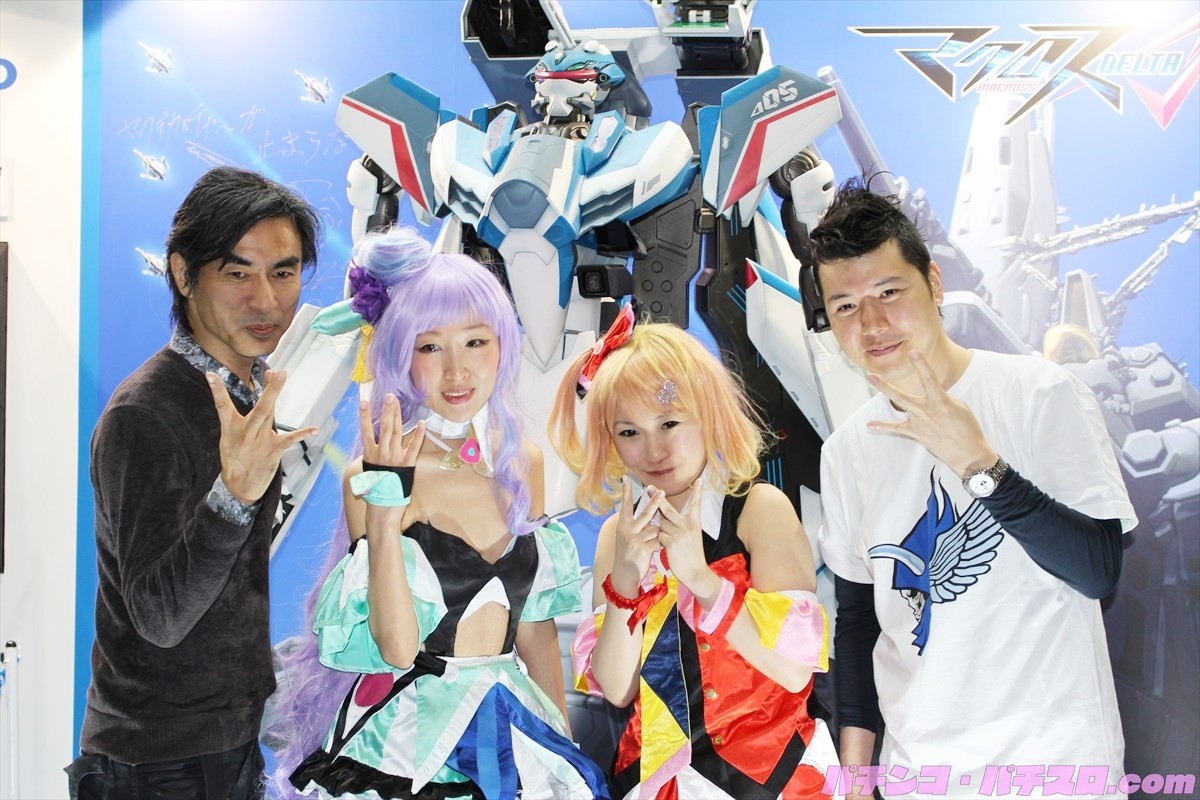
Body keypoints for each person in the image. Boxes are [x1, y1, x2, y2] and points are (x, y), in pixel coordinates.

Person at [810, 178, 1137, 799]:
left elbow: (1098, 570)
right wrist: (855, 777)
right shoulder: (846, 451)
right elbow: (857, 623)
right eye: (846, 306)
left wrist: (979, 464)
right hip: (919, 777)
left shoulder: (1040, 393)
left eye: (888, 292)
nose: (872, 324)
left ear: (934, 284)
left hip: (1056, 771)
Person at [269, 226, 609, 800]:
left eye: (475, 342)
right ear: (400, 355)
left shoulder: (521, 463)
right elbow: (396, 650)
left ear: (503, 344)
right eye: (430, 347)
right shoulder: (369, 478)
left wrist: (563, 751)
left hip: (512, 724)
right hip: (406, 739)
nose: (457, 371)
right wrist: (386, 506)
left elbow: (533, 628)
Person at [66, 166, 323, 799]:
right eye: (237, 273)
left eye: (283, 272)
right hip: (157, 766)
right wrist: (233, 496)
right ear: (183, 275)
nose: (266, 301)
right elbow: (159, 616)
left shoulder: (245, 393)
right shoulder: (145, 413)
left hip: (223, 749)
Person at [549, 316, 838, 800]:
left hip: (776, 776)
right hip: (659, 781)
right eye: (629, 432)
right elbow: (617, 689)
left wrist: (702, 580)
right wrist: (625, 584)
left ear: (707, 414)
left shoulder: (759, 511)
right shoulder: (617, 535)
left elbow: (793, 671)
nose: (654, 450)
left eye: (669, 423)